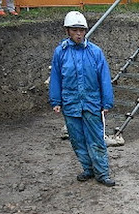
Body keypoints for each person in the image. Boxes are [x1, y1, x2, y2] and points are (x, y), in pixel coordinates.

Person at [49, 11, 116, 187]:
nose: (79, 34)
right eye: (75, 30)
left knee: (96, 139)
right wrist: (55, 101)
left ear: (85, 31)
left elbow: (104, 77)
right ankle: (88, 169)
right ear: (67, 31)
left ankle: (102, 173)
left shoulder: (95, 52)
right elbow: (56, 77)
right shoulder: (60, 53)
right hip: (71, 104)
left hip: (92, 103)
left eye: (81, 30)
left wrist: (106, 102)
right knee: (77, 140)